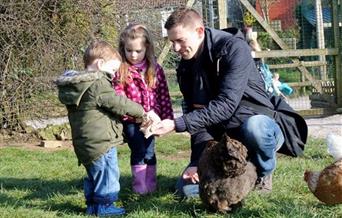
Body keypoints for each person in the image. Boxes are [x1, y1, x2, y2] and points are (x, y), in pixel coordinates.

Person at [153, 7, 307, 197]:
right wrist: (197, 162)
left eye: (180, 40)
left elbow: (226, 105)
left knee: (255, 128)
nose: (176, 48)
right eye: (172, 42)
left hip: (257, 125)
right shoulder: (186, 66)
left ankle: (263, 174)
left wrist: (177, 124)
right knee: (187, 190)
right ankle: (240, 176)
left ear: (199, 31)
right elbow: (197, 117)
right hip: (225, 140)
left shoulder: (234, 49)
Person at [56, 40, 155, 216]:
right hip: (102, 142)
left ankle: (92, 206)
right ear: (101, 64)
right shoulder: (97, 84)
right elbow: (118, 103)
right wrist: (141, 111)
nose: (113, 76)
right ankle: (105, 207)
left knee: (94, 175)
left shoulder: (78, 86)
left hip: (85, 143)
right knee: (108, 174)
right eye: (112, 71)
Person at [113, 24, 174, 195]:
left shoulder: (155, 69)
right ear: (123, 48)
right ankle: (139, 187)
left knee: (149, 150)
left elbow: (163, 95)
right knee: (138, 150)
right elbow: (118, 97)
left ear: (146, 48)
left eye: (138, 51)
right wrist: (129, 114)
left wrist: (166, 118)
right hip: (132, 121)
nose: (133, 55)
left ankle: (151, 185)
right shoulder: (121, 70)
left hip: (152, 120)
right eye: (128, 50)